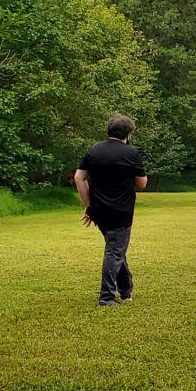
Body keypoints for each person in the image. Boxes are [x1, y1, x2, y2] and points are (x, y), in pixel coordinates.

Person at [74, 113, 147, 307]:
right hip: (121, 212)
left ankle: (125, 290)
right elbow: (142, 183)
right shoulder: (131, 153)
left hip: (99, 211)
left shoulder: (94, 150)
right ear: (128, 134)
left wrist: (88, 206)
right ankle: (106, 297)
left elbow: (79, 178)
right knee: (115, 251)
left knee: (116, 249)